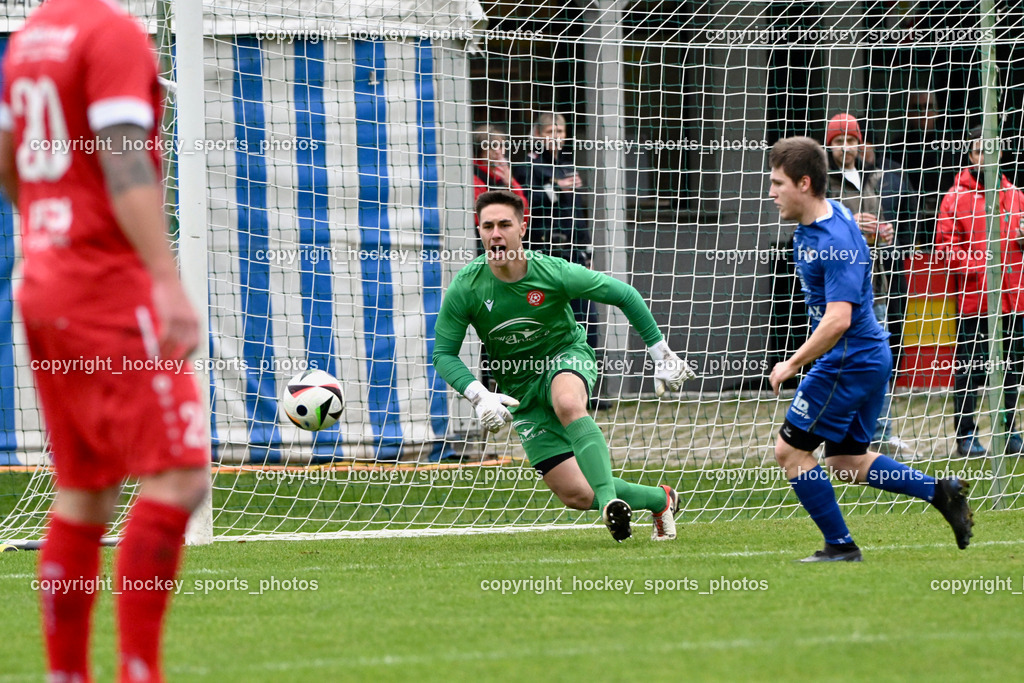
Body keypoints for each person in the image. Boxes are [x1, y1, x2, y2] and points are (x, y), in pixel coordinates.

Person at [0, 0, 210, 680]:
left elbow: (8, 156)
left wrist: (46, 230)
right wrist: (165, 280)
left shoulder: (31, 38)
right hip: (107, 285)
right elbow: (125, 164)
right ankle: (138, 671)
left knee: (86, 486)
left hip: (44, 279)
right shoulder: (112, 34)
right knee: (179, 474)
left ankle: (67, 673)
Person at [432, 189, 695, 542]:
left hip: (565, 357)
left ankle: (610, 505)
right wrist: (479, 395)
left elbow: (625, 295)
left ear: (522, 227)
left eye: (504, 224)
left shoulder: (553, 272)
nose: (496, 233)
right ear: (479, 231)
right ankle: (660, 499)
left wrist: (660, 353)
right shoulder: (467, 287)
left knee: (568, 403)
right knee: (575, 493)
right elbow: (443, 353)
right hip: (520, 391)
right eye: (487, 226)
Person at [767, 136, 972, 562]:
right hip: (866, 357)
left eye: (778, 183)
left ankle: (841, 547)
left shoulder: (831, 241)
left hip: (848, 360)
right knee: (845, 461)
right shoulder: (832, 216)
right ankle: (940, 492)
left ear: (804, 184)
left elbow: (838, 319)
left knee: (790, 451)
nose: (771, 193)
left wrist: (792, 362)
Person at [824, 114, 916, 460]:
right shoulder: (822, 184)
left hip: (874, 282)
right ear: (829, 145)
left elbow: (884, 227)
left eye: (851, 140)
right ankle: (835, 436)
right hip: (836, 288)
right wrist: (850, 221)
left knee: (878, 360)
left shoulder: (872, 178)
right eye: (838, 141)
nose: (845, 148)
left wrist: (884, 233)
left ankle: (882, 434)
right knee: (838, 362)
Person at [935, 127, 1024, 458]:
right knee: (970, 372)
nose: (984, 157)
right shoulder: (954, 197)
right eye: (977, 151)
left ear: (1001, 153)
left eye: (991, 150)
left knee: (1012, 370)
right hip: (975, 301)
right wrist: (983, 267)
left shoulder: (1016, 194)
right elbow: (944, 250)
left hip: (1014, 300)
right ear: (970, 156)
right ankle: (966, 436)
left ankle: (1008, 431)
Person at [513, 113, 607, 409]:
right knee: (543, 323)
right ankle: (541, 393)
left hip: (572, 256)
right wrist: (554, 187)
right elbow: (526, 203)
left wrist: (587, 251)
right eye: (550, 131)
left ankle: (587, 390)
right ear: (538, 134)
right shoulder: (526, 167)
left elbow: (578, 214)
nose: (556, 136)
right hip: (542, 256)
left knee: (585, 320)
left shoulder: (569, 166)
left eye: (561, 131)